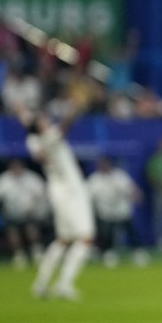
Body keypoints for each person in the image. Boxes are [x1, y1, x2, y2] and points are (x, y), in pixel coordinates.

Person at [21, 110, 95, 301]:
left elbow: (30, 128)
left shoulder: (33, 141)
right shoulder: (47, 137)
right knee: (86, 238)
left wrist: (23, 112)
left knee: (64, 240)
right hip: (71, 192)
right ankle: (64, 284)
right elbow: (64, 127)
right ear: (40, 127)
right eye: (43, 119)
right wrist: (74, 108)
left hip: (58, 191)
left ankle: (41, 284)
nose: (47, 120)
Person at [0, 157, 47, 269]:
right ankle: (19, 256)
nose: (16, 169)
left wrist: (36, 207)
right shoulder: (4, 179)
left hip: (29, 212)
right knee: (13, 234)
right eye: (14, 167)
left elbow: (42, 193)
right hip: (11, 213)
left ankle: (37, 254)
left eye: (18, 166)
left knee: (32, 231)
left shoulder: (31, 178)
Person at [86, 155, 147, 267]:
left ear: (110, 164)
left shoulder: (119, 176)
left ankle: (138, 252)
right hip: (106, 213)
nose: (104, 166)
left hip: (121, 211)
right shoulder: (94, 180)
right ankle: (108, 253)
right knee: (106, 234)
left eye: (105, 164)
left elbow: (131, 189)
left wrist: (137, 195)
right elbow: (87, 197)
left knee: (132, 232)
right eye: (101, 164)